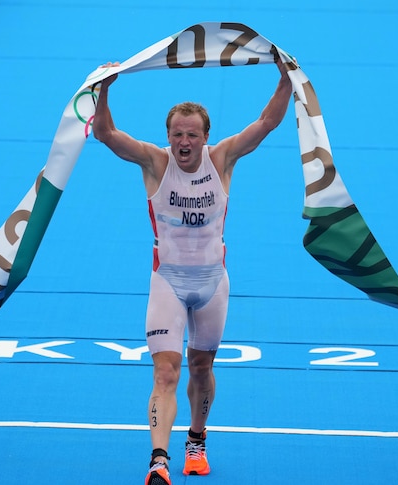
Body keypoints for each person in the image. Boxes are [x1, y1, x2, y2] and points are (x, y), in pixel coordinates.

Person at [92, 55, 292, 485]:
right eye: (177, 134)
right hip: (167, 283)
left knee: (201, 368)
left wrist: (286, 78)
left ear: (205, 137)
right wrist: (104, 88)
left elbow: (267, 123)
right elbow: (106, 134)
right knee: (166, 371)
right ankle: (158, 461)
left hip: (212, 286)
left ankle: (196, 441)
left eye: (193, 135)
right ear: (168, 136)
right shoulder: (155, 163)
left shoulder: (222, 160)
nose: (185, 142)